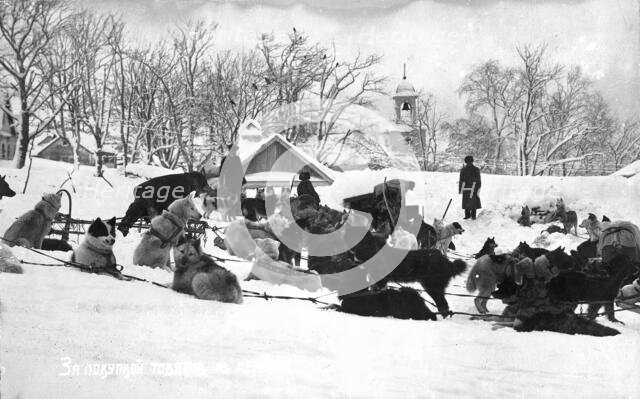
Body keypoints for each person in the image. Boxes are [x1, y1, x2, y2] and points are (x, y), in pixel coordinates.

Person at [458, 155, 481, 220]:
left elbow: (478, 180)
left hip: (474, 188)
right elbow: (461, 180)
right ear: (466, 162)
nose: (469, 163)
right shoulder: (463, 170)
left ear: (472, 162)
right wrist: (461, 189)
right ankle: (467, 215)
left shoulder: (476, 169)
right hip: (466, 188)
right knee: (466, 203)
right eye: (467, 162)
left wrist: (477, 189)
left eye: (470, 162)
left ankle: (473, 215)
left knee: (473, 203)